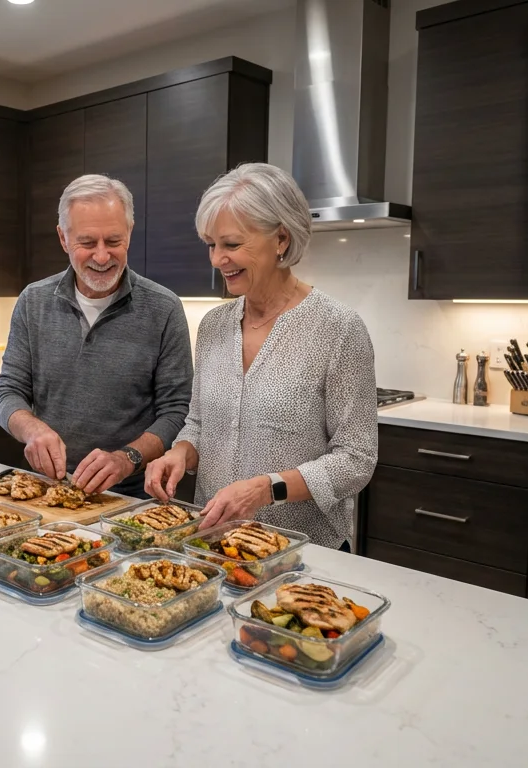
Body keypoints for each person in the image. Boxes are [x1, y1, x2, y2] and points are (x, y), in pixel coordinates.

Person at [144, 163, 377, 550]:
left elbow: (356, 459)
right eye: (211, 245)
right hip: (214, 545)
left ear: (281, 239)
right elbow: (199, 423)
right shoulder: (214, 325)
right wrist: (180, 454)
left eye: (232, 245)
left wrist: (267, 489)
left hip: (300, 551)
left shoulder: (337, 328)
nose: (217, 259)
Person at [0, 174, 193, 497]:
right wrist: (32, 430)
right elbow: (7, 392)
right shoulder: (33, 301)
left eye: (113, 241)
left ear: (129, 233)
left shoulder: (164, 308)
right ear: (63, 238)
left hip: (130, 498)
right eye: (87, 243)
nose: (102, 257)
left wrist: (127, 458)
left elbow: (178, 411)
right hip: (47, 491)